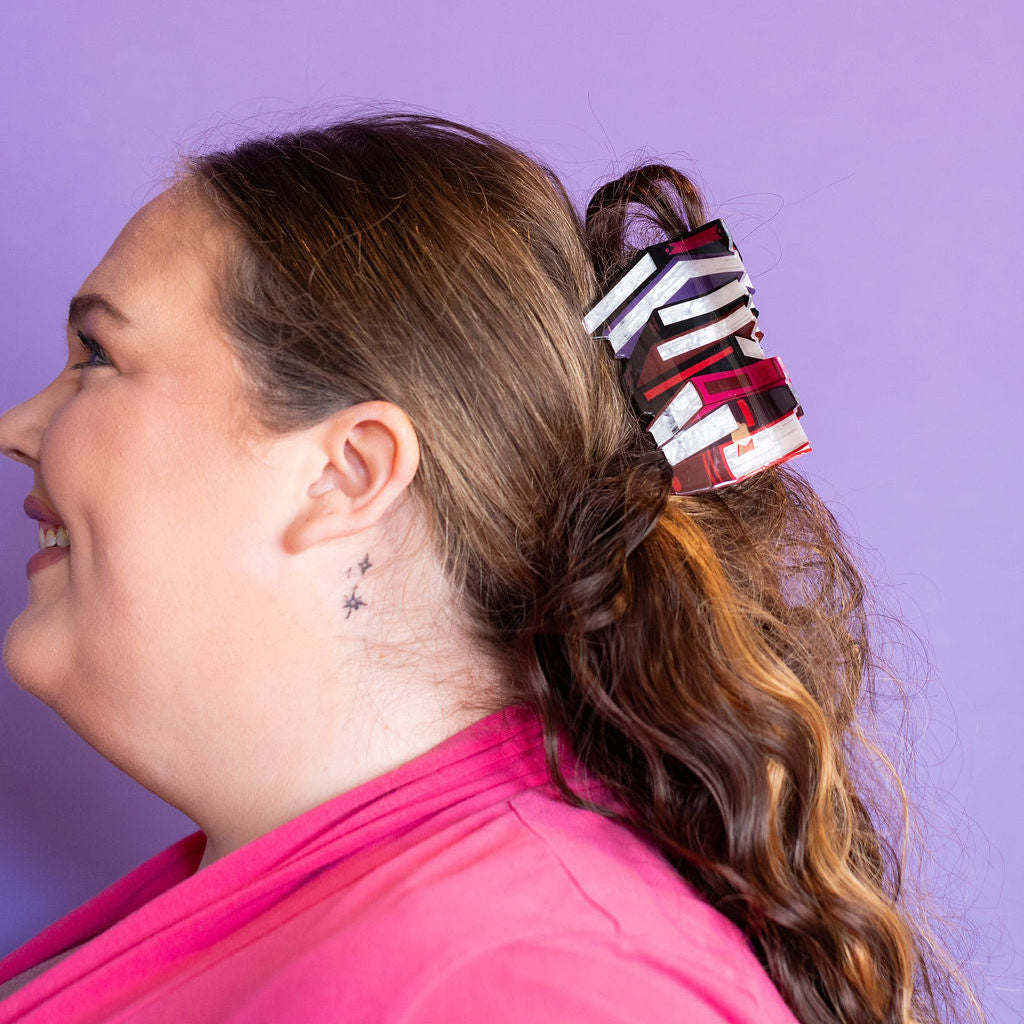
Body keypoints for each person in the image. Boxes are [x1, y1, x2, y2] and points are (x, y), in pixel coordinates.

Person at [0, 113, 971, 1024]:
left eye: (97, 353)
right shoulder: (438, 928)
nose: (19, 428)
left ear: (347, 474)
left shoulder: (538, 982)